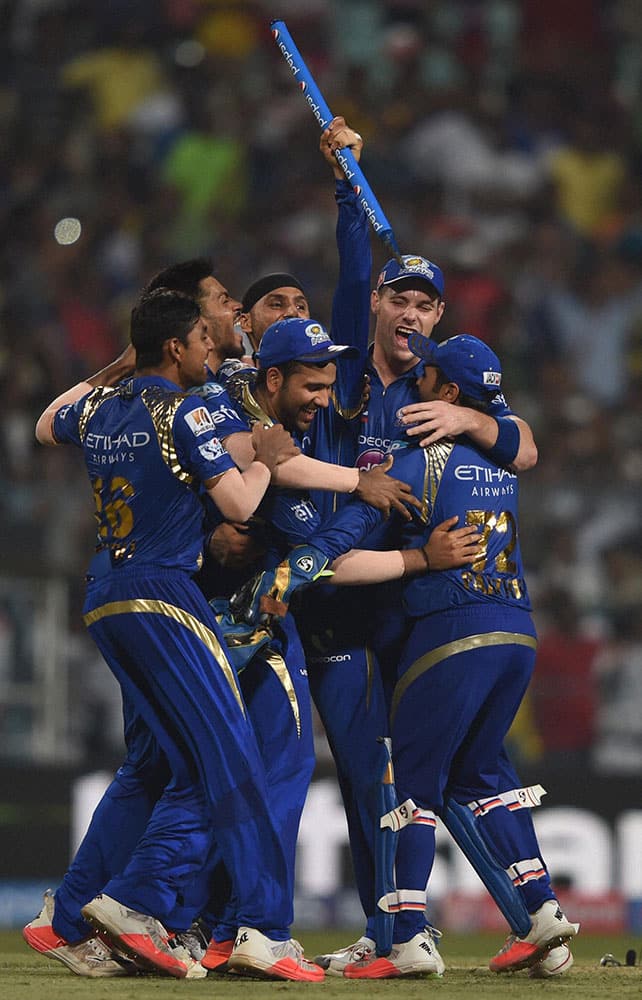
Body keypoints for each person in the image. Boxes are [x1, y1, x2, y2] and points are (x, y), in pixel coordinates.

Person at [27, 287, 326, 982]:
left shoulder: (101, 405)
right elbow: (240, 502)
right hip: (165, 593)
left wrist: (114, 364)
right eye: (200, 333)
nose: (207, 345)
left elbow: (47, 423)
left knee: (173, 765)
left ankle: (84, 915)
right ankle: (232, 923)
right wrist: (268, 459)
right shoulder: (187, 407)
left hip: (103, 593)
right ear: (178, 345)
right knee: (231, 761)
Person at [271, 333, 578, 978]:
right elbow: (520, 441)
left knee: (409, 784)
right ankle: (542, 911)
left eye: (427, 378)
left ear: (446, 392)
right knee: (481, 775)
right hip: (517, 631)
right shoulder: (500, 458)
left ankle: (407, 935)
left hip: (450, 636)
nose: (416, 386)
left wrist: (294, 568)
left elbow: (344, 537)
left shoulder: (416, 465)